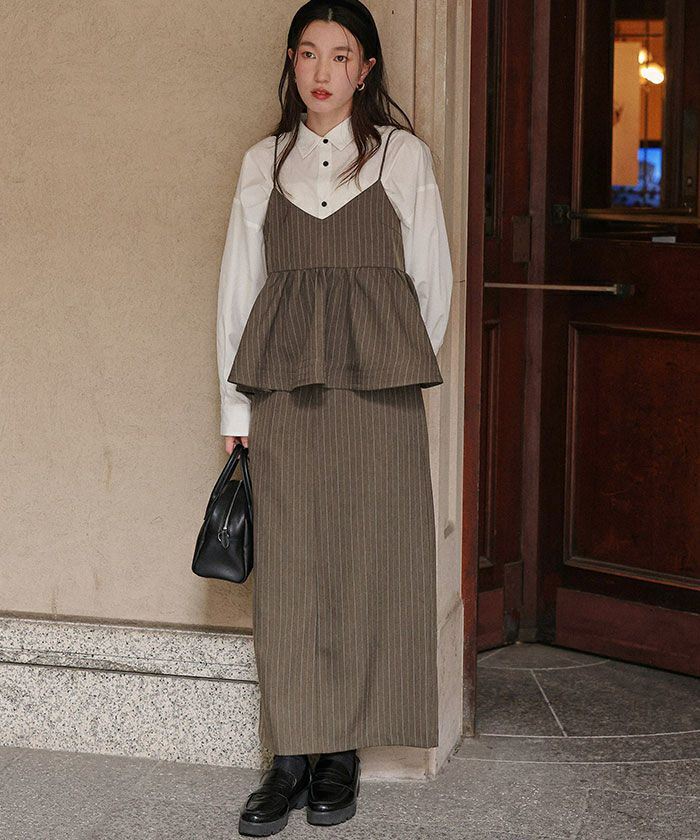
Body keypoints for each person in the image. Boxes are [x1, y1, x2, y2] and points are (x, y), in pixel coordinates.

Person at [216, 1, 453, 835]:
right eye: (309, 53)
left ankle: (339, 755)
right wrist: (235, 408)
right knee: (291, 568)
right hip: (282, 386)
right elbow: (239, 289)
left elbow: (432, 282)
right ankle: (287, 758)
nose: (324, 71)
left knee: (369, 559)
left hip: (379, 391)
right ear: (291, 61)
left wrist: (389, 358)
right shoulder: (263, 161)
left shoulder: (402, 157)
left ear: (366, 68)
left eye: (342, 55)